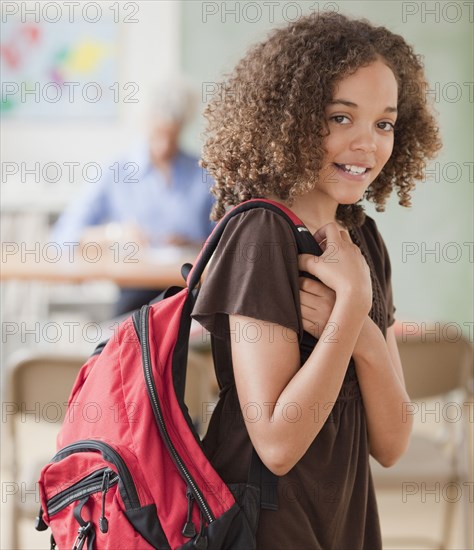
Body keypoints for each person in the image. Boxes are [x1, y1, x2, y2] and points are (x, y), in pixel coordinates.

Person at [191, 12, 441, 550]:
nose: (367, 145)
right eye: (340, 117)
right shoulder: (263, 234)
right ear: (292, 118)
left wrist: (360, 327)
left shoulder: (363, 242)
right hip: (266, 522)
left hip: (344, 516)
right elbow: (276, 444)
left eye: (384, 123)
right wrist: (351, 307)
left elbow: (393, 443)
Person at [52, 78, 214, 315]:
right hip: (134, 299)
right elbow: (63, 237)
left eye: (172, 135)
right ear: (145, 122)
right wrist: (115, 235)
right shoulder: (116, 171)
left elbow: (225, 239)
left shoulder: (202, 173)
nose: (163, 146)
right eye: (158, 134)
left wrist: (191, 243)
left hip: (192, 295)